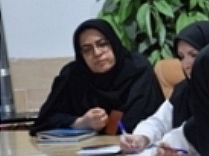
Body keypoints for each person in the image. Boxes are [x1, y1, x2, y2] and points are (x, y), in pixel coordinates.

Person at [119, 21, 209, 153]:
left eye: (194, 55)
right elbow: (158, 122)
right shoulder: (185, 90)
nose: (186, 64)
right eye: (181, 57)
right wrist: (141, 138)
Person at [29, 18, 164, 135]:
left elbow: (139, 120)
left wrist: (105, 124)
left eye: (102, 44)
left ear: (114, 43)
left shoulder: (137, 69)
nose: (97, 53)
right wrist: (81, 122)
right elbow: (46, 119)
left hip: (135, 149)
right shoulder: (73, 75)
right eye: (87, 50)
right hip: (81, 152)